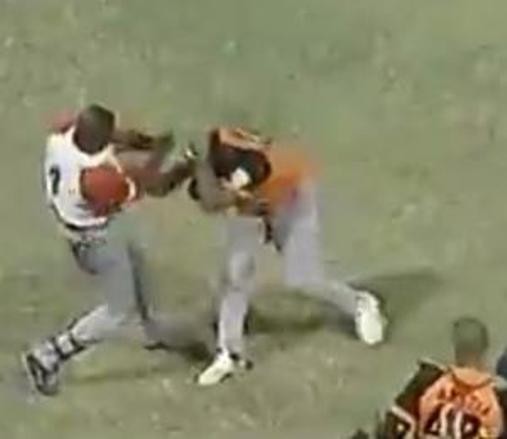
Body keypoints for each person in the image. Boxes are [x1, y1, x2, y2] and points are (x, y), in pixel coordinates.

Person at [187, 126, 386, 386]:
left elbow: (214, 200)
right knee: (235, 278)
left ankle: (361, 303)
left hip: (290, 198)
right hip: (251, 206)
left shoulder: (249, 163)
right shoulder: (218, 150)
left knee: (304, 279)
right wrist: (198, 169)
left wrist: (199, 168)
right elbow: (206, 195)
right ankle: (230, 353)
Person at [22, 104, 194, 396]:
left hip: (90, 226)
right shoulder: (97, 180)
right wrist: (182, 162)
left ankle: (153, 331)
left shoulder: (63, 134)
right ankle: (50, 354)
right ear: (98, 140)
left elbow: (114, 135)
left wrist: (148, 142)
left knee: (137, 267)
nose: (114, 137)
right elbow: (155, 185)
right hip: (96, 241)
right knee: (117, 310)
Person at [355, 317, 507, 438]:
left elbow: (394, 428)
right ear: (485, 348)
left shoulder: (427, 380)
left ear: (456, 348)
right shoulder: (499, 398)